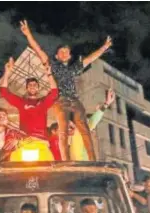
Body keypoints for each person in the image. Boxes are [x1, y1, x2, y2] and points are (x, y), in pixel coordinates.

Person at [20, 19, 112, 161]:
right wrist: (28, 35)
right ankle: (66, 161)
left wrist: (104, 48)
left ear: (69, 56)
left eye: (66, 52)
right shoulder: (53, 66)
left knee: (85, 130)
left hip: (75, 101)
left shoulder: (73, 68)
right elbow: (38, 50)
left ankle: (93, 160)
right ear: (57, 56)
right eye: (61, 52)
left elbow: (90, 59)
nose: (64, 53)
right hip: (60, 101)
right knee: (62, 131)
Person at [0, 57, 59, 140]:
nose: (32, 87)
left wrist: (49, 74)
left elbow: (54, 93)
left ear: (38, 88)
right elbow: (4, 92)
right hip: (25, 140)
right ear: (27, 88)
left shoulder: (43, 102)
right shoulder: (21, 102)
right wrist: (7, 72)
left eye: (35, 85)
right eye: (30, 85)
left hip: (41, 140)